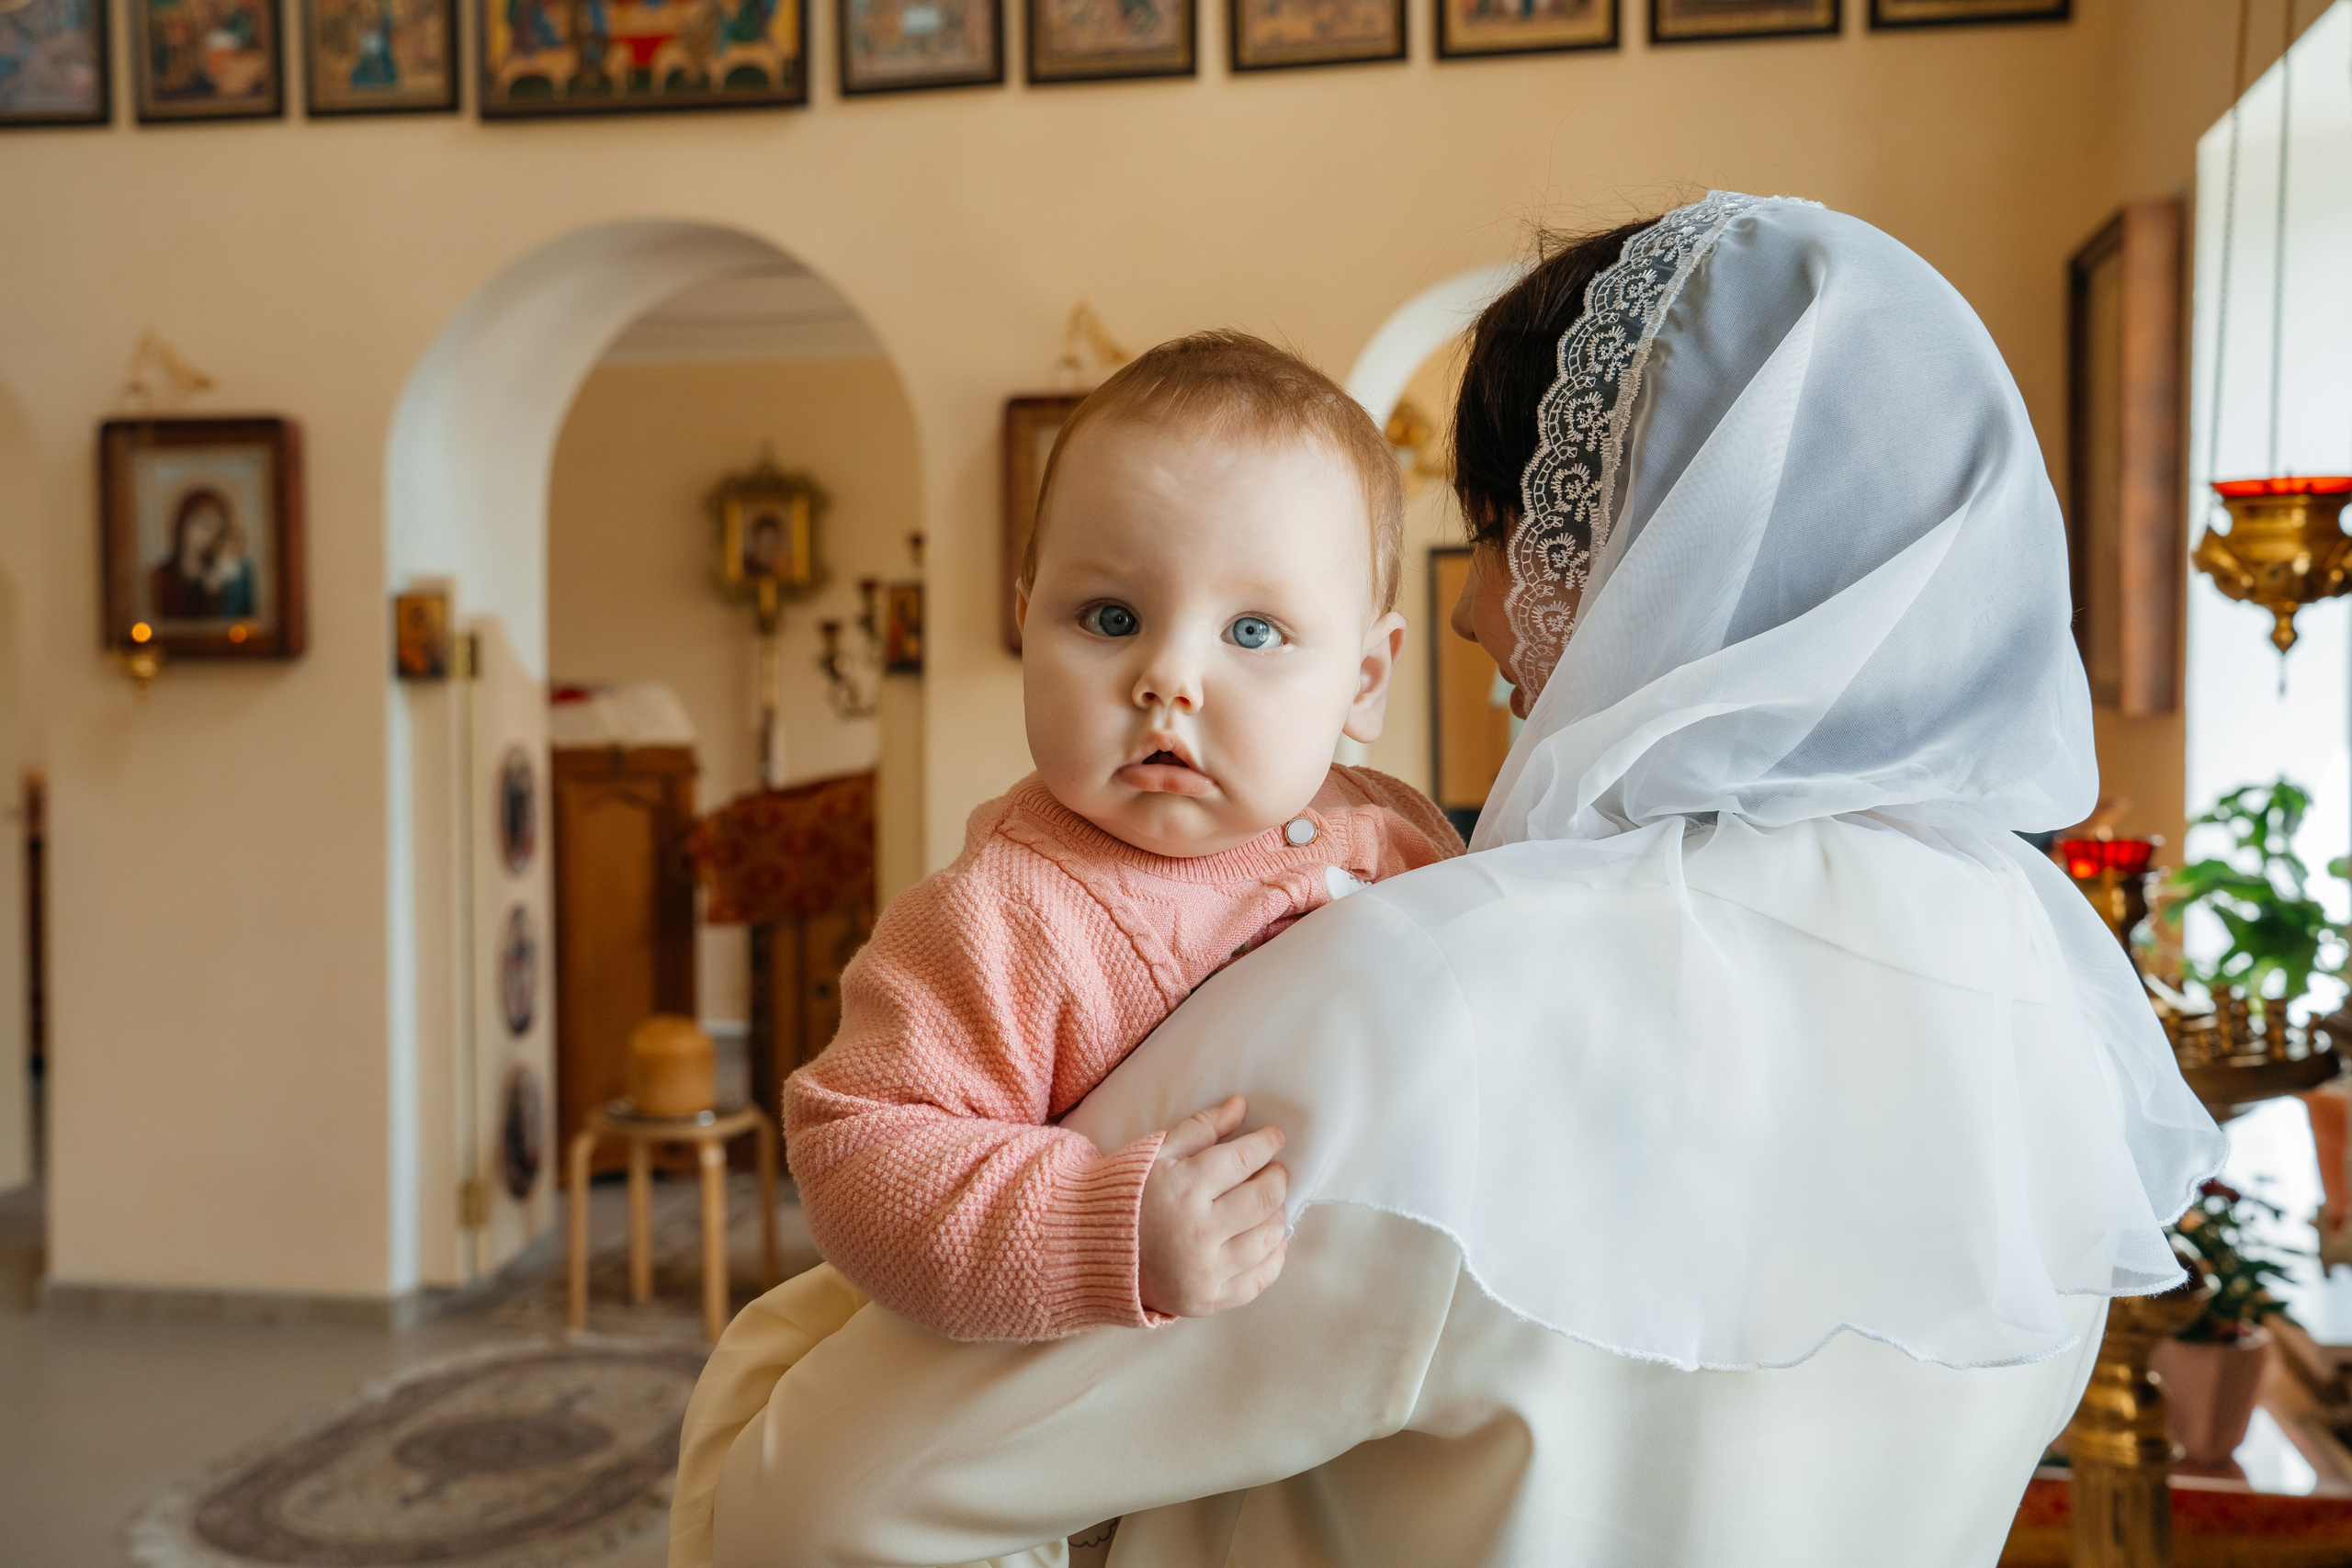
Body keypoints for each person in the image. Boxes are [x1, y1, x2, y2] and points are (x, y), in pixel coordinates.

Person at [682, 192, 2227, 1568]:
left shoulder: (1438, 997)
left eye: (1513, 529)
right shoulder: (2048, 1006)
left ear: (1656, 556)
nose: (1482, 607)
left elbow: (811, 1506)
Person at [785, 329, 1462, 1346]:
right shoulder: (1004, 916)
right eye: (1109, 617)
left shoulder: (1396, 827)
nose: (1166, 679)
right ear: (1026, 630)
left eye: (1250, 632)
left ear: (1363, 681)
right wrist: (1105, 1231)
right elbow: (857, 1150)